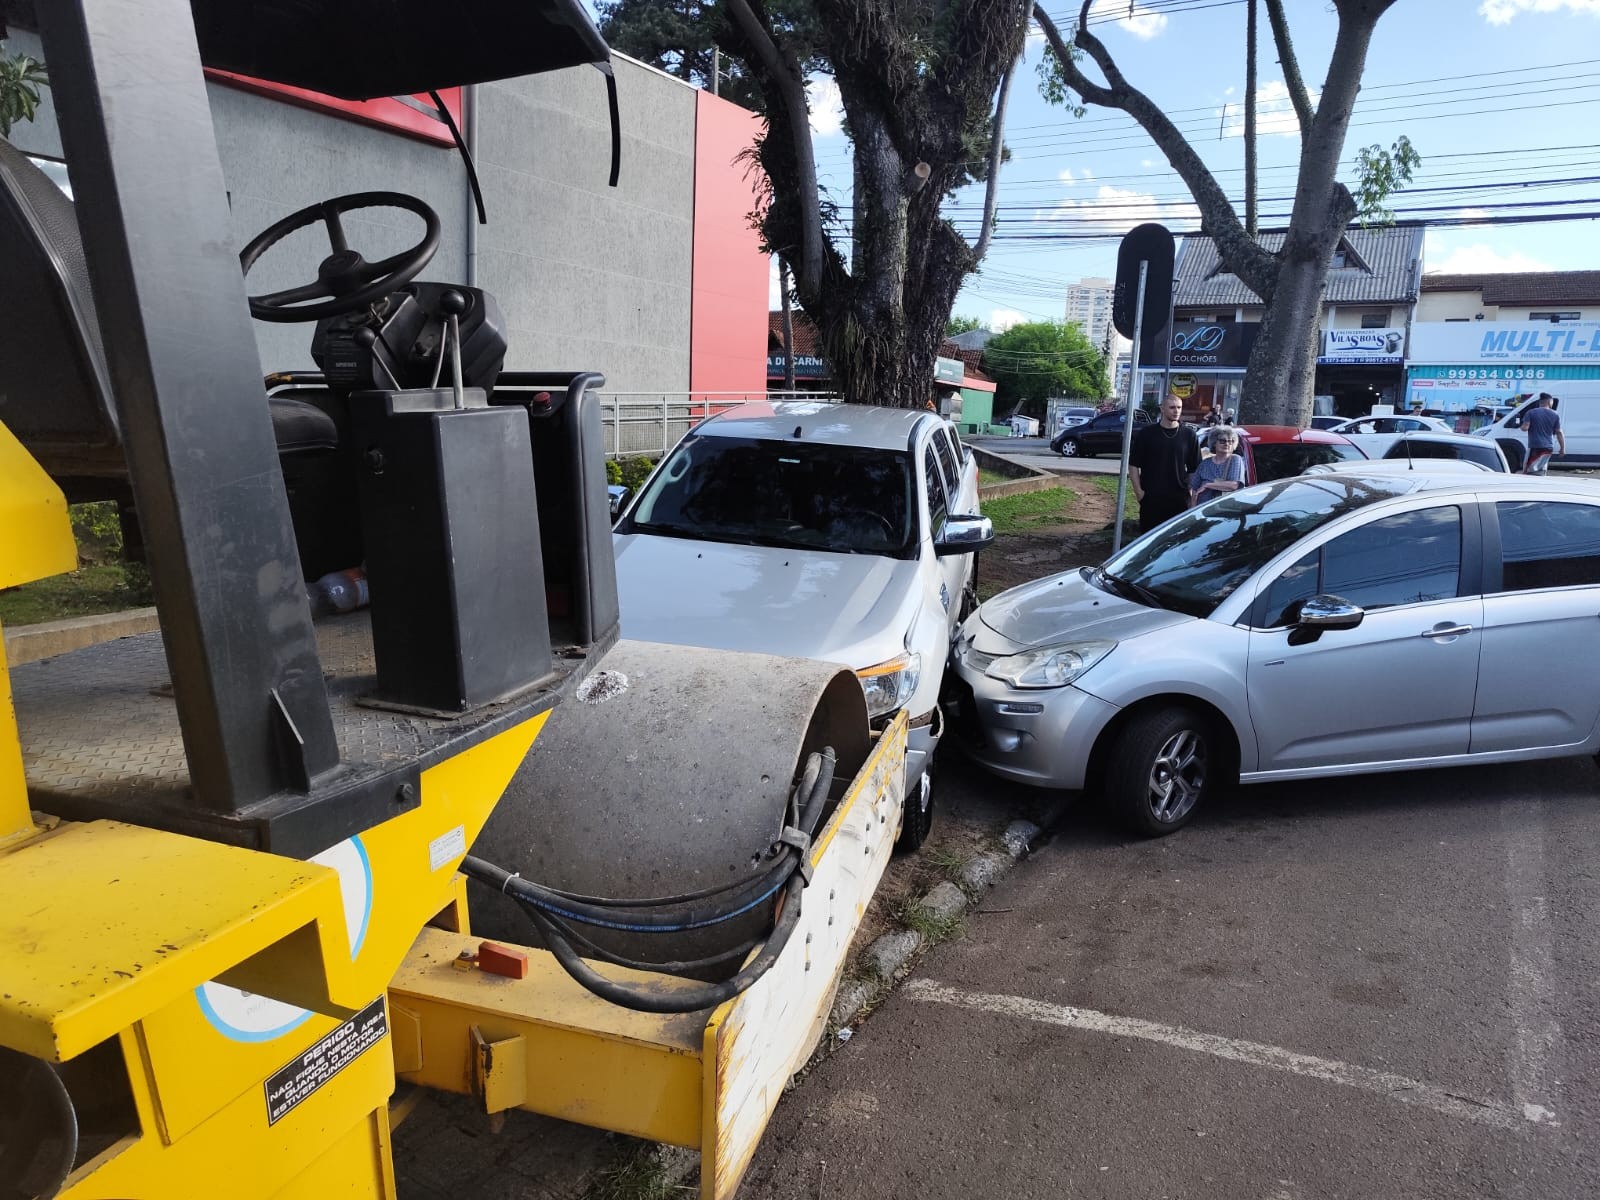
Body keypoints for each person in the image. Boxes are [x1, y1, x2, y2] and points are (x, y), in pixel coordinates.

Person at [1129, 393, 1200, 534]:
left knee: (1176, 540)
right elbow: (1133, 465)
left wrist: (1192, 497)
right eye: (1172, 407)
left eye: (1179, 407)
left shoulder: (1189, 435)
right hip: (1151, 498)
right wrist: (1139, 493)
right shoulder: (1146, 434)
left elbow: (1195, 469)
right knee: (1148, 541)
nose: (1176, 411)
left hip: (1179, 499)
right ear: (1162, 409)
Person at [1189, 426, 1245, 507]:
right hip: (1202, 510)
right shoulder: (1205, 464)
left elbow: (1234, 485)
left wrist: (1207, 485)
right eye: (1222, 441)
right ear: (1214, 443)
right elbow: (1194, 489)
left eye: (1231, 441)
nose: (1227, 444)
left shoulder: (1235, 459)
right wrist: (1193, 511)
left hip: (1224, 512)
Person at [1523, 393, 1564, 474]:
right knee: (1542, 469)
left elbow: (1525, 428)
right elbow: (1559, 432)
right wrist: (1562, 448)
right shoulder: (1555, 414)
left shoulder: (1531, 412)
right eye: (1552, 402)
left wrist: (1522, 425)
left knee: (1529, 470)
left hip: (1535, 446)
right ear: (1549, 402)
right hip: (1548, 447)